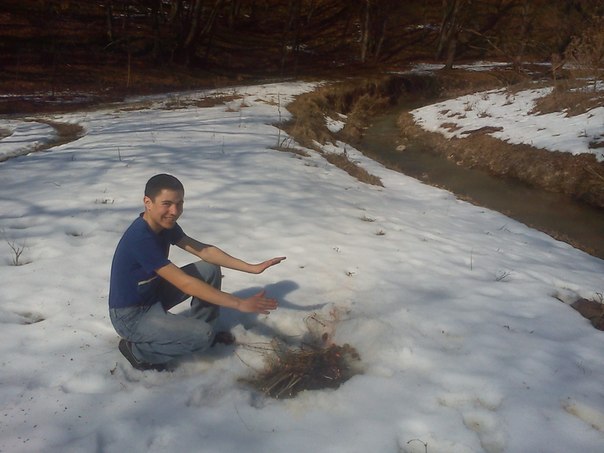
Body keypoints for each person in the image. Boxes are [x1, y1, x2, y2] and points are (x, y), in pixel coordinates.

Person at [108, 173, 285, 371]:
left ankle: (202, 329)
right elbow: (185, 283)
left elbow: (205, 252)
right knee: (202, 335)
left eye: (179, 204)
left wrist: (252, 268)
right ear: (148, 202)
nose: (174, 211)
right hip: (131, 316)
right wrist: (239, 303)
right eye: (167, 204)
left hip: (152, 294)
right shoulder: (140, 239)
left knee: (209, 269)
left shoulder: (164, 225)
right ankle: (139, 353)